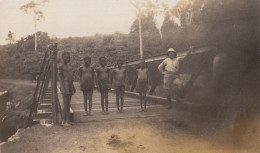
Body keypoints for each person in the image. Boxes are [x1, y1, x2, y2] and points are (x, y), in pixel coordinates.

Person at [58, 52, 76, 127]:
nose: (68, 59)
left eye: (69, 57)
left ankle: (68, 120)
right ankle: (63, 121)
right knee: (65, 104)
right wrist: (62, 87)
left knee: (68, 104)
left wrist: (73, 86)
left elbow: (71, 77)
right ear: (62, 58)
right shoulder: (61, 66)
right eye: (66, 57)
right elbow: (59, 77)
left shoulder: (70, 66)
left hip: (70, 85)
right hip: (65, 85)